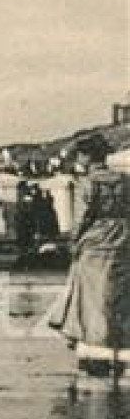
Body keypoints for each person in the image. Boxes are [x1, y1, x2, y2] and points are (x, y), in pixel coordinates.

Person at [48, 154, 129, 378]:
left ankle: (95, 350)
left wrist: (74, 242)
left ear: (87, 158)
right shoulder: (125, 180)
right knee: (120, 295)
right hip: (124, 240)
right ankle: (121, 348)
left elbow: (82, 218)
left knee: (91, 296)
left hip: (96, 241)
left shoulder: (88, 183)